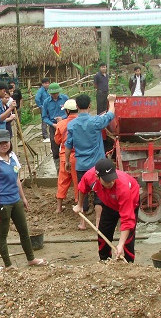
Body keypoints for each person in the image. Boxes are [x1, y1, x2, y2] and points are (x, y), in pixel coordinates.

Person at [0, 129, 48, 269]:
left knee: (24, 231)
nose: (3, 145)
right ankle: (8, 265)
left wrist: (23, 197)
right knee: (3, 234)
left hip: (15, 200)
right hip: (2, 203)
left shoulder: (12, 156)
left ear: (10, 142)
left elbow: (17, 179)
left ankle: (31, 259)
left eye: (6, 142)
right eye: (0, 143)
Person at [73, 158, 139, 262]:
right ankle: (105, 261)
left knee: (128, 238)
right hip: (109, 204)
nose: (111, 182)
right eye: (107, 180)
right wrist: (80, 205)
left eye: (112, 178)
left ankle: (129, 264)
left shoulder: (122, 187)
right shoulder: (90, 176)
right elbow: (82, 188)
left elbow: (127, 220)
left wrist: (120, 244)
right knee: (103, 233)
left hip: (130, 202)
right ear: (97, 177)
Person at [65, 94, 116, 230]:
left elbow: (68, 145)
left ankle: (83, 223)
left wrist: (67, 162)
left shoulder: (72, 125)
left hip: (81, 165)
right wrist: (111, 101)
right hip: (97, 165)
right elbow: (111, 115)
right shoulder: (96, 122)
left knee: (83, 192)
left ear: (76, 107)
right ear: (89, 106)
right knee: (99, 192)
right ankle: (98, 222)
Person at [54, 99, 79, 213]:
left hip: (65, 157)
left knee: (62, 181)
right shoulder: (81, 122)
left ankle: (59, 207)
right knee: (78, 182)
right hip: (78, 157)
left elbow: (57, 140)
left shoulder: (61, 124)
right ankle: (79, 204)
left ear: (67, 111)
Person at [42, 83, 68, 174]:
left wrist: (63, 119)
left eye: (56, 93)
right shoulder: (46, 102)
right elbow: (44, 117)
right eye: (53, 94)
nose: (55, 95)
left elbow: (71, 111)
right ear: (50, 93)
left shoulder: (65, 99)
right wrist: (53, 124)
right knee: (54, 146)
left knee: (68, 145)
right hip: (54, 127)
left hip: (65, 126)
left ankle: (68, 166)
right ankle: (58, 169)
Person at [35, 78, 51, 143]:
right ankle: (45, 135)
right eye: (45, 83)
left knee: (50, 119)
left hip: (49, 107)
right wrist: (40, 106)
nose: (47, 84)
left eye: (48, 83)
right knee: (44, 120)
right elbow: (37, 99)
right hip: (43, 108)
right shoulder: (41, 90)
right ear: (42, 84)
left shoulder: (48, 90)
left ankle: (50, 133)